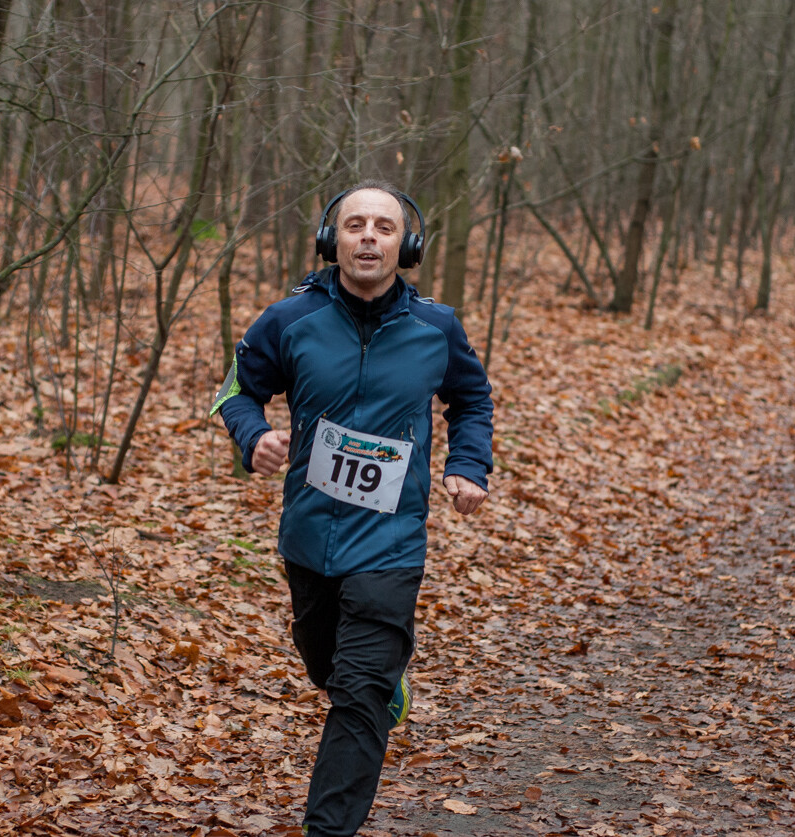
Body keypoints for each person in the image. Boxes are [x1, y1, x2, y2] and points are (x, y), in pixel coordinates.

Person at [210, 179, 494, 837]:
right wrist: (255, 437)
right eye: (355, 224)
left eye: (384, 227)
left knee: (358, 694)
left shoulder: (436, 328)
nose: (369, 236)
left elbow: (472, 401)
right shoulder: (289, 320)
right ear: (331, 239)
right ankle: (376, 681)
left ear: (407, 243)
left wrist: (467, 465)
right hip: (309, 534)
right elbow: (234, 391)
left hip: (391, 542)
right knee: (324, 661)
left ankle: (327, 828)